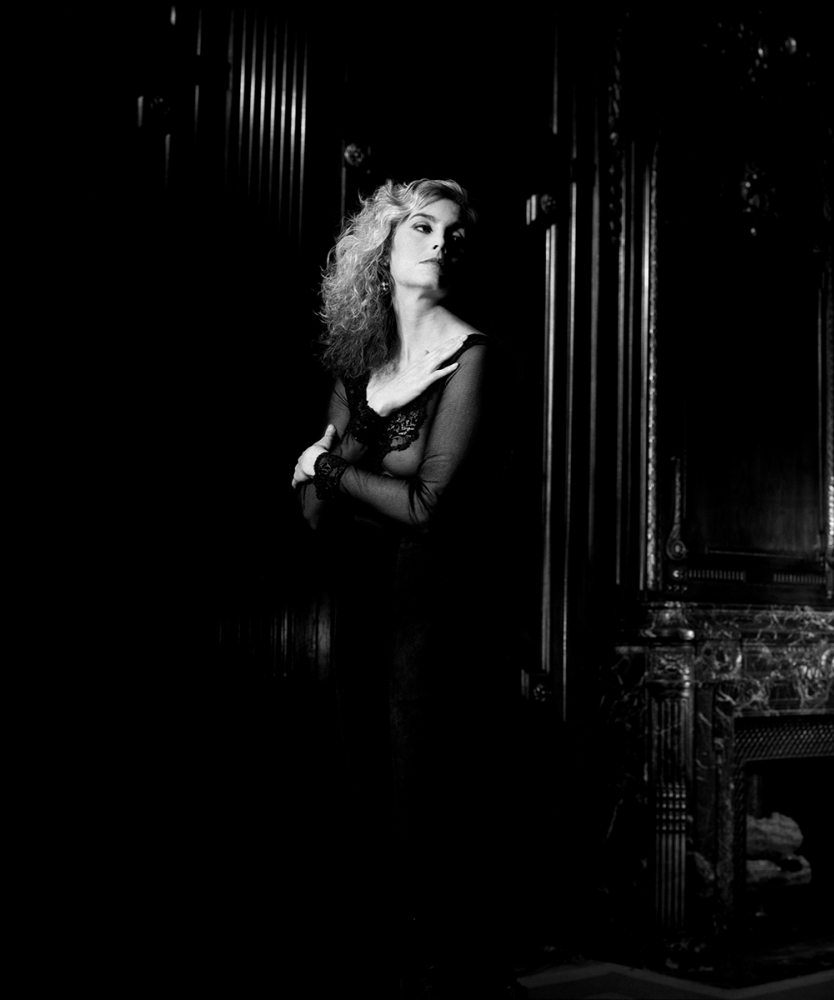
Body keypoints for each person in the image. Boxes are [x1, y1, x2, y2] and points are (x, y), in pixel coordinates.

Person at [292, 178, 518, 994]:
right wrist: (356, 438)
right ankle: (385, 962)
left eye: (455, 235)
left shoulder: (471, 353)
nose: (440, 243)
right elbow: (313, 516)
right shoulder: (360, 360)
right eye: (423, 227)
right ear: (385, 248)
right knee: (359, 781)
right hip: (355, 597)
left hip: (432, 602)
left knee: (421, 789)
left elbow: (424, 506)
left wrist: (326, 464)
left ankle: (442, 969)